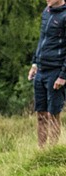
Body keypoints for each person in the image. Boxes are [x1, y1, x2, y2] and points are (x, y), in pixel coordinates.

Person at [28, 0, 66, 148]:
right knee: (41, 114)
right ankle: (41, 150)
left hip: (56, 71)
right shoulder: (46, 11)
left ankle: (53, 150)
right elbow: (42, 40)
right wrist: (34, 64)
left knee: (53, 114)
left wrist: (63, 76)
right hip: (41, 70)